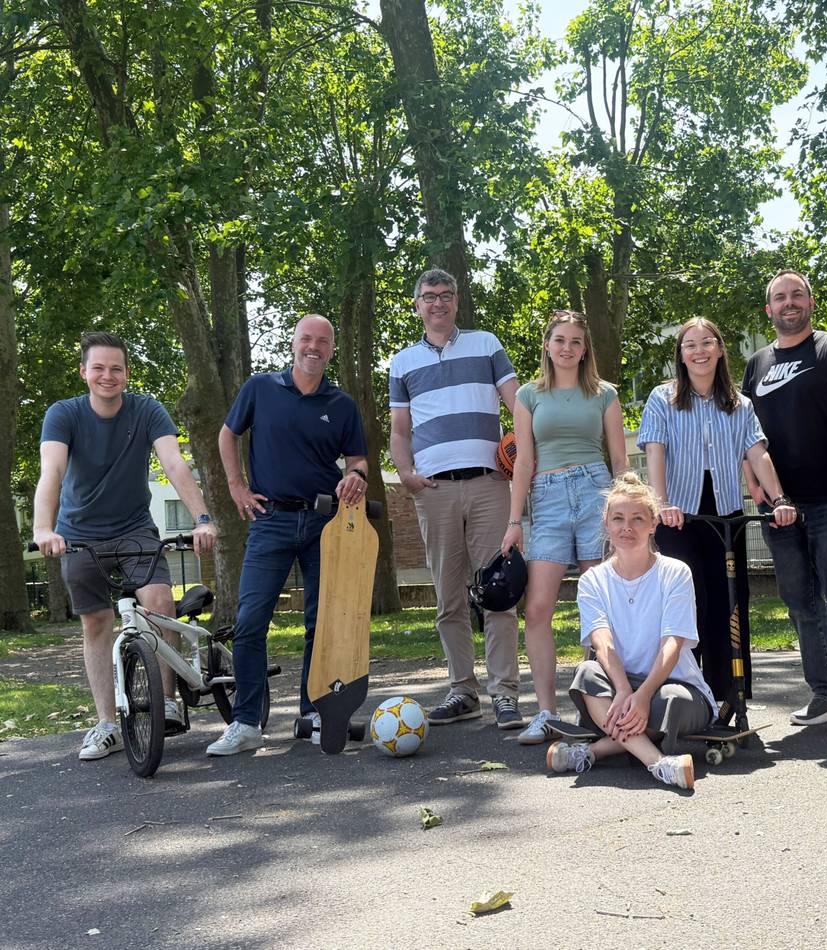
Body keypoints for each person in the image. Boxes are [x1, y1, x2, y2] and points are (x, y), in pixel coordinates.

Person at [33, 331, 218, 761]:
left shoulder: (146, 409)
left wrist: (203, 518)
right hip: (78, 533)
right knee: (96, 624)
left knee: (158, 605)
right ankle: (106, 725)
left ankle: (168, 700)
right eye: (98, 368)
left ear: (126, 373)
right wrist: (44, 528)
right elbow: (51, 473)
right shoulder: (64, 415)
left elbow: (174, 462)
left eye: (116, 368)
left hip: (135, 528)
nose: (107, 376)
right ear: (84, 372)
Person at [206, 314, 368, 756]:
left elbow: (359, 460)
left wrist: (357, 476)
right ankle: (245, 723)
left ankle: (313, 714)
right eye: (306, 340)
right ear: (294, 344)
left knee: (321, 624)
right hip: (270, 520)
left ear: (332, 350)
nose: (313, 347)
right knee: (250, 622)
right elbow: (226, 436)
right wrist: (237, 487)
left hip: (325, 524)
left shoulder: (343, 404)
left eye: (323, 342)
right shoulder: (260, 388)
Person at [389, 268, 524, 730]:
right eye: (429, 296)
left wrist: (529, 449)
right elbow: (399, 430)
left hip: (490, 484)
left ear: (456, 301)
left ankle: (505, 694)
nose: (438, 303)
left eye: (446, 295)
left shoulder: (486, 344)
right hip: (435, 491)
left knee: (499, 592)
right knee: (448, 598)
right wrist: (405, 474)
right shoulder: (402, 362)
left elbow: (518, 404)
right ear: (417, 304)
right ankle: (462, 690)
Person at [639, 318, 796, 704]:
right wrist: (660, 504)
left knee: (728, 600)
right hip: (679, 516)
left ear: (720, 349)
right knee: (685, 603)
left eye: (707, 343)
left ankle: (731, 693)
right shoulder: (664, 397)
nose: (699, 351)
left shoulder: (739, 404)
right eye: (690, 345)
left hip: (725, 515)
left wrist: (779, 500)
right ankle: (683, 694)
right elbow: (655, 450)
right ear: (681, 354)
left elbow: (757, 453)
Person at [742, 270, 827, 734]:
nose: (788, 303)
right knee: (798, 600)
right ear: (768, 309)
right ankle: (822, 694)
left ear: (810, 302)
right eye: (780, 297)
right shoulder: (756, 363)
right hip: (778, 506)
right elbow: (744, 430)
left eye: (797, 294)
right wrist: (752, 482)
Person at [500, 310, 627, 745]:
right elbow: (524, 463)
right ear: (547, 346)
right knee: (537, 610)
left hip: (596, 494)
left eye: (575, 341)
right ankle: (547, 713)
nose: (567, 347)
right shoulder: (529, 396)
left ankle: (601, 707)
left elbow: (619, 460)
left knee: (600, 610)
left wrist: (626, 510)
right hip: (547, 498)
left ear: (585, 348)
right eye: (560, 340)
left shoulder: (605, 394)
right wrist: (515, 522)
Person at [545, 474, 716, 790]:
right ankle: (660, 764)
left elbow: (672, 645)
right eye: (618, 518)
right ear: (606, 523)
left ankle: (591, 752)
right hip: (619, 688)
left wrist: (643, 694)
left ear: (653, 524)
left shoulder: (675, 573)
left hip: (670, 686)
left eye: (638, 519)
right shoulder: (593, 580)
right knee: (586, 673)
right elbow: (602, 641)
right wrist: (624, 690)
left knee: (669, 701)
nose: (627, 527)